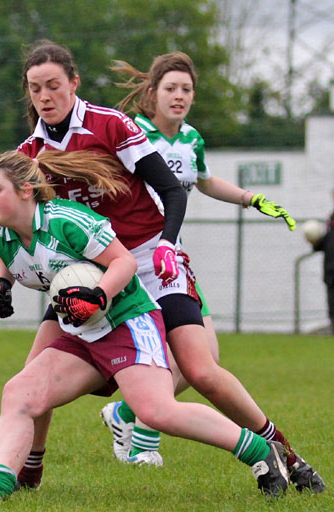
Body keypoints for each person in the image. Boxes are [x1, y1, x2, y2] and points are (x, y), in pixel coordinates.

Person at [0, 42, 323, 494]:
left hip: (146, 260)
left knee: (201, 372)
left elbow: (173, 189)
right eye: (35, 89)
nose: (45, 97)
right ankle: (27, 474)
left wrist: (166, 244)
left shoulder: (111, 125)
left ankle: (288, 456)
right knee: (30, 380)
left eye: (53, 86)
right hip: (89, 274)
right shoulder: (33, 151)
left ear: (74, 83)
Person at [0, 149, 289, 501]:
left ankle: (260, 450)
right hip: (81, 331)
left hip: (126, 320)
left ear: (25, 191)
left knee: (155, 411)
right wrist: (2, 285)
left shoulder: (67, 221)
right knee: (19, 392)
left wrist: (98, 296)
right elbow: (14, 259)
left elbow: (125, 263)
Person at [99, 51, 304, 467]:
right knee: (189, 363)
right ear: (151, 93)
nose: (179, 96)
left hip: (170, 260)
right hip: (133, 260)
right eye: (170, 88)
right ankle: (142, 441)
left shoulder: (192, 139)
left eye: (186, 89)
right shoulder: (131, 132)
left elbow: (205, 182)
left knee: (205, 361)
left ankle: (125, 413)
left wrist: (251, 198)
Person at [306, 189, 334, 334]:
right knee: (332, 304)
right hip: (331, 271)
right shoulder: (331, 219)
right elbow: (327, 242)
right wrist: (315, 242)